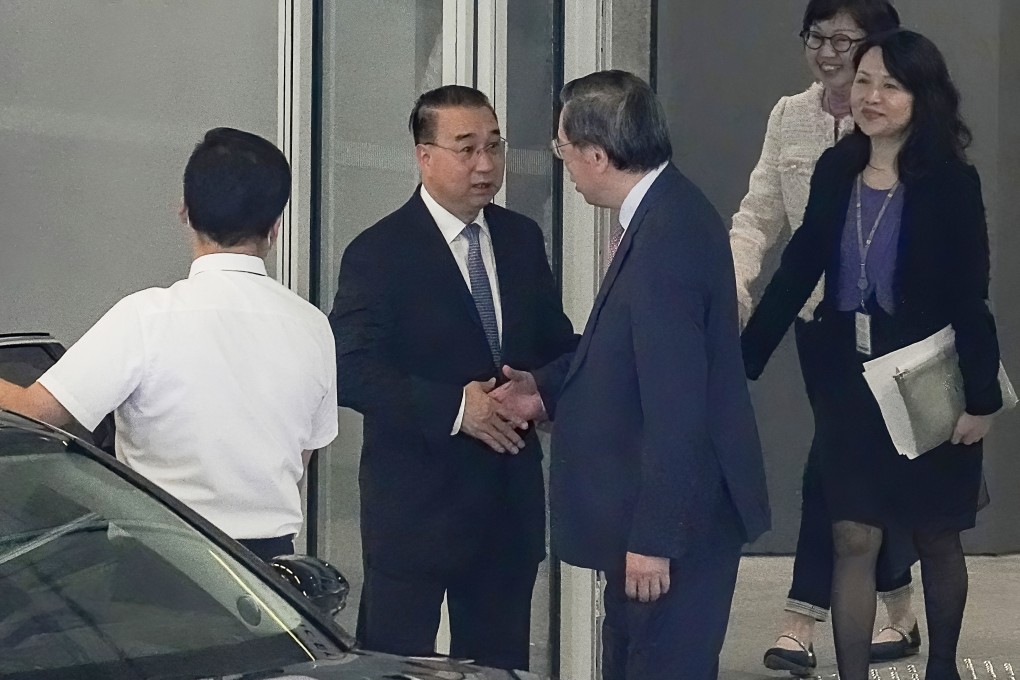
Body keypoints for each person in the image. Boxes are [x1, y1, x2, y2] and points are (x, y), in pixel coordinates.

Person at [742, 30, 1002, 680]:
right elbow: (800, 265)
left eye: (890, 84)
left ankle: (941, 664)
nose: (872, 96)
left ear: (922, 96)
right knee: (852, 534)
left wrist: (981, 399)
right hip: (848, 382)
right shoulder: (837, 170)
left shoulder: (949, 182)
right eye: (864, 81)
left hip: (926, 376)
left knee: (936, 533)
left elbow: (972, 295)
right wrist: (745, 354)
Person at [494, 70, 770, 680]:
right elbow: (624, 354)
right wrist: (546, 390)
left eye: (564, 150)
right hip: (656, 516)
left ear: (597, 154)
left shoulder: (667, 237)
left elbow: (677, 405)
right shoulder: (663, 212)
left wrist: (655, 537)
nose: (564, 165)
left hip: (677, 526)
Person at [0, 128, 338, 561]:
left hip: (157, 566)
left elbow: (35, 412)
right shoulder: (312, 327)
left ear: (184, 211)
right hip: (270, 576)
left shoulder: (146, 317)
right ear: (275, 225)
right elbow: (302, 458)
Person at [328, 85, 577, 671]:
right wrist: (459, 409)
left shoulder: (521, 239)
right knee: (394, 663)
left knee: (498, 665)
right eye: (466, 149)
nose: (486, 164)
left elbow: (555, 344)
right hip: (415, 510)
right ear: (424, 155)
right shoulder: (379, 252)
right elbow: (348, 368)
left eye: (495, 146)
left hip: (506, 507)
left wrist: (540, 391)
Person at [729, 0, 920, 672]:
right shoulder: (790, 116)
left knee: (836, 467)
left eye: (848, 38)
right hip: (819, 326)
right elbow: (759, 214)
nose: (831, 51)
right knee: (854, 468)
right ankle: (897, 607)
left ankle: (798, 620)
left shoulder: (898, 113)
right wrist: (736, 282)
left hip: (894, 331)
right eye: (819, 36)